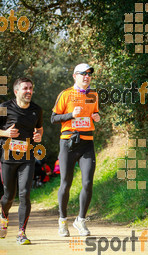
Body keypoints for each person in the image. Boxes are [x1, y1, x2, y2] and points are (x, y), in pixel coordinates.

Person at [51, 63, 100, 236]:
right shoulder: (65, 94)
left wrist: (96, 116)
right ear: (75, 76)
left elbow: (94, 113)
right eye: (83, 74)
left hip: (87, 142)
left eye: (89, 74)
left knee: (87, 182)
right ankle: (63, 221)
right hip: (68, 143)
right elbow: (53, 118)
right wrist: (71, 115)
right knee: (66, 183)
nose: (87, 77)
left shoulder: (94, 95)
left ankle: (80, 220)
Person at [0, 78, 43, 244]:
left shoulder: (36, 110)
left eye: (31, 88)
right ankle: (3, 215)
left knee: (25, 194)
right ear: (16, 91)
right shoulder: (4, 108)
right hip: (7, 157)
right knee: (9, 196)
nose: (29, 91)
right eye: (25, 88)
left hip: (27, 157)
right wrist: (5, 134)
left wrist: (39, 135)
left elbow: (39, 128)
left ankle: (21, 233)